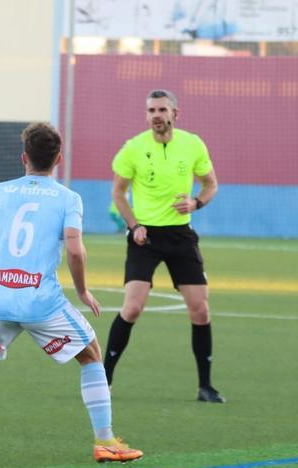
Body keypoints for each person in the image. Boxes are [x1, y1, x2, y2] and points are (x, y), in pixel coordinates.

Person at [0, 122, 143, 463]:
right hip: (40, 302)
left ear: (23, 157)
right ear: (58, 159)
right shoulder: (67, 198)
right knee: (90, 354)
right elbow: (75, 250)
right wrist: (83, 291)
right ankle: (105, 441)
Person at [103, 89, 223, 403]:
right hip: (146, 238)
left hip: (181, 236)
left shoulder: (192, 144)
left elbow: (211, 184)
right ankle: (104, 380)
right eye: (151, 110)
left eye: (162, 110)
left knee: (200, 310)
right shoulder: (133, 148)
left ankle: (205, 387)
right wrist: (134, 226)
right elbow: (118, 193)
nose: (156, 115)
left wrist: (196, 202)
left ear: (175, 113)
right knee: (132, 307)